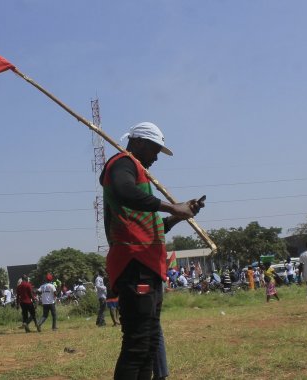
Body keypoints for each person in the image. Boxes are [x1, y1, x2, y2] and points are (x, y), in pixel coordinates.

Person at [101, 122, 203, 379]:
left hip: (148, 266)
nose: (156, 157)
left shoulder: (139, 176)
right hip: (134, 264)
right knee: (136, 344)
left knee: (148, 344)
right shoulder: (123, 163)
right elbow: (124, 191)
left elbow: (152, 227)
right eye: (155, 150)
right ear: (138, 143)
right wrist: (171, 207)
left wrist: (179, 216)